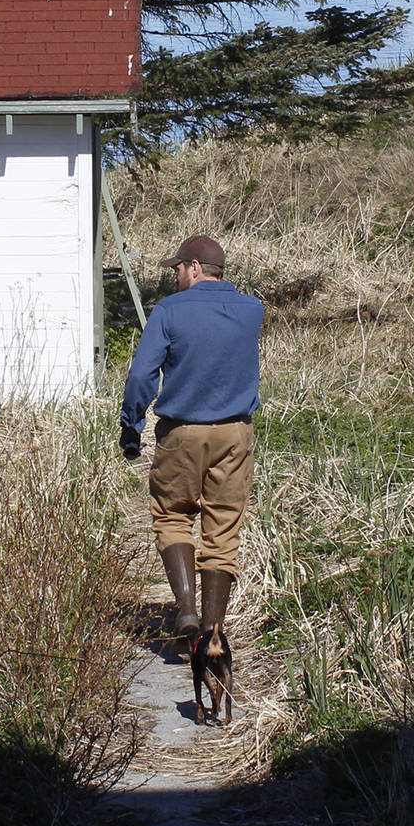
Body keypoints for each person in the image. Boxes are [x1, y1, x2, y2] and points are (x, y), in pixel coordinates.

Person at [119, 233, 265, 643]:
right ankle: (213, 633)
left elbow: (142, 375)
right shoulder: (253, 310)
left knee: (173, 515)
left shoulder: (169, 311)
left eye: (178, 268)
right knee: (223, 529)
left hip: (182, 433)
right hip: (235, 434)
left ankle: (185, 609)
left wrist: (132, 424)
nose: (176, 276)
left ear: (195, 268)